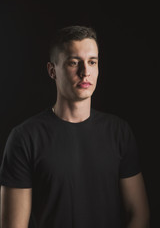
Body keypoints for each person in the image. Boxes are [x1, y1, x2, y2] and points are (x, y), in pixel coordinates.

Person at [0, 25, 150, 228]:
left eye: (92, 62)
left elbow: (138, 214)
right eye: (73, 62)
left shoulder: (119, 132)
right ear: (52, 71)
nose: (85, 72)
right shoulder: (24, 138)